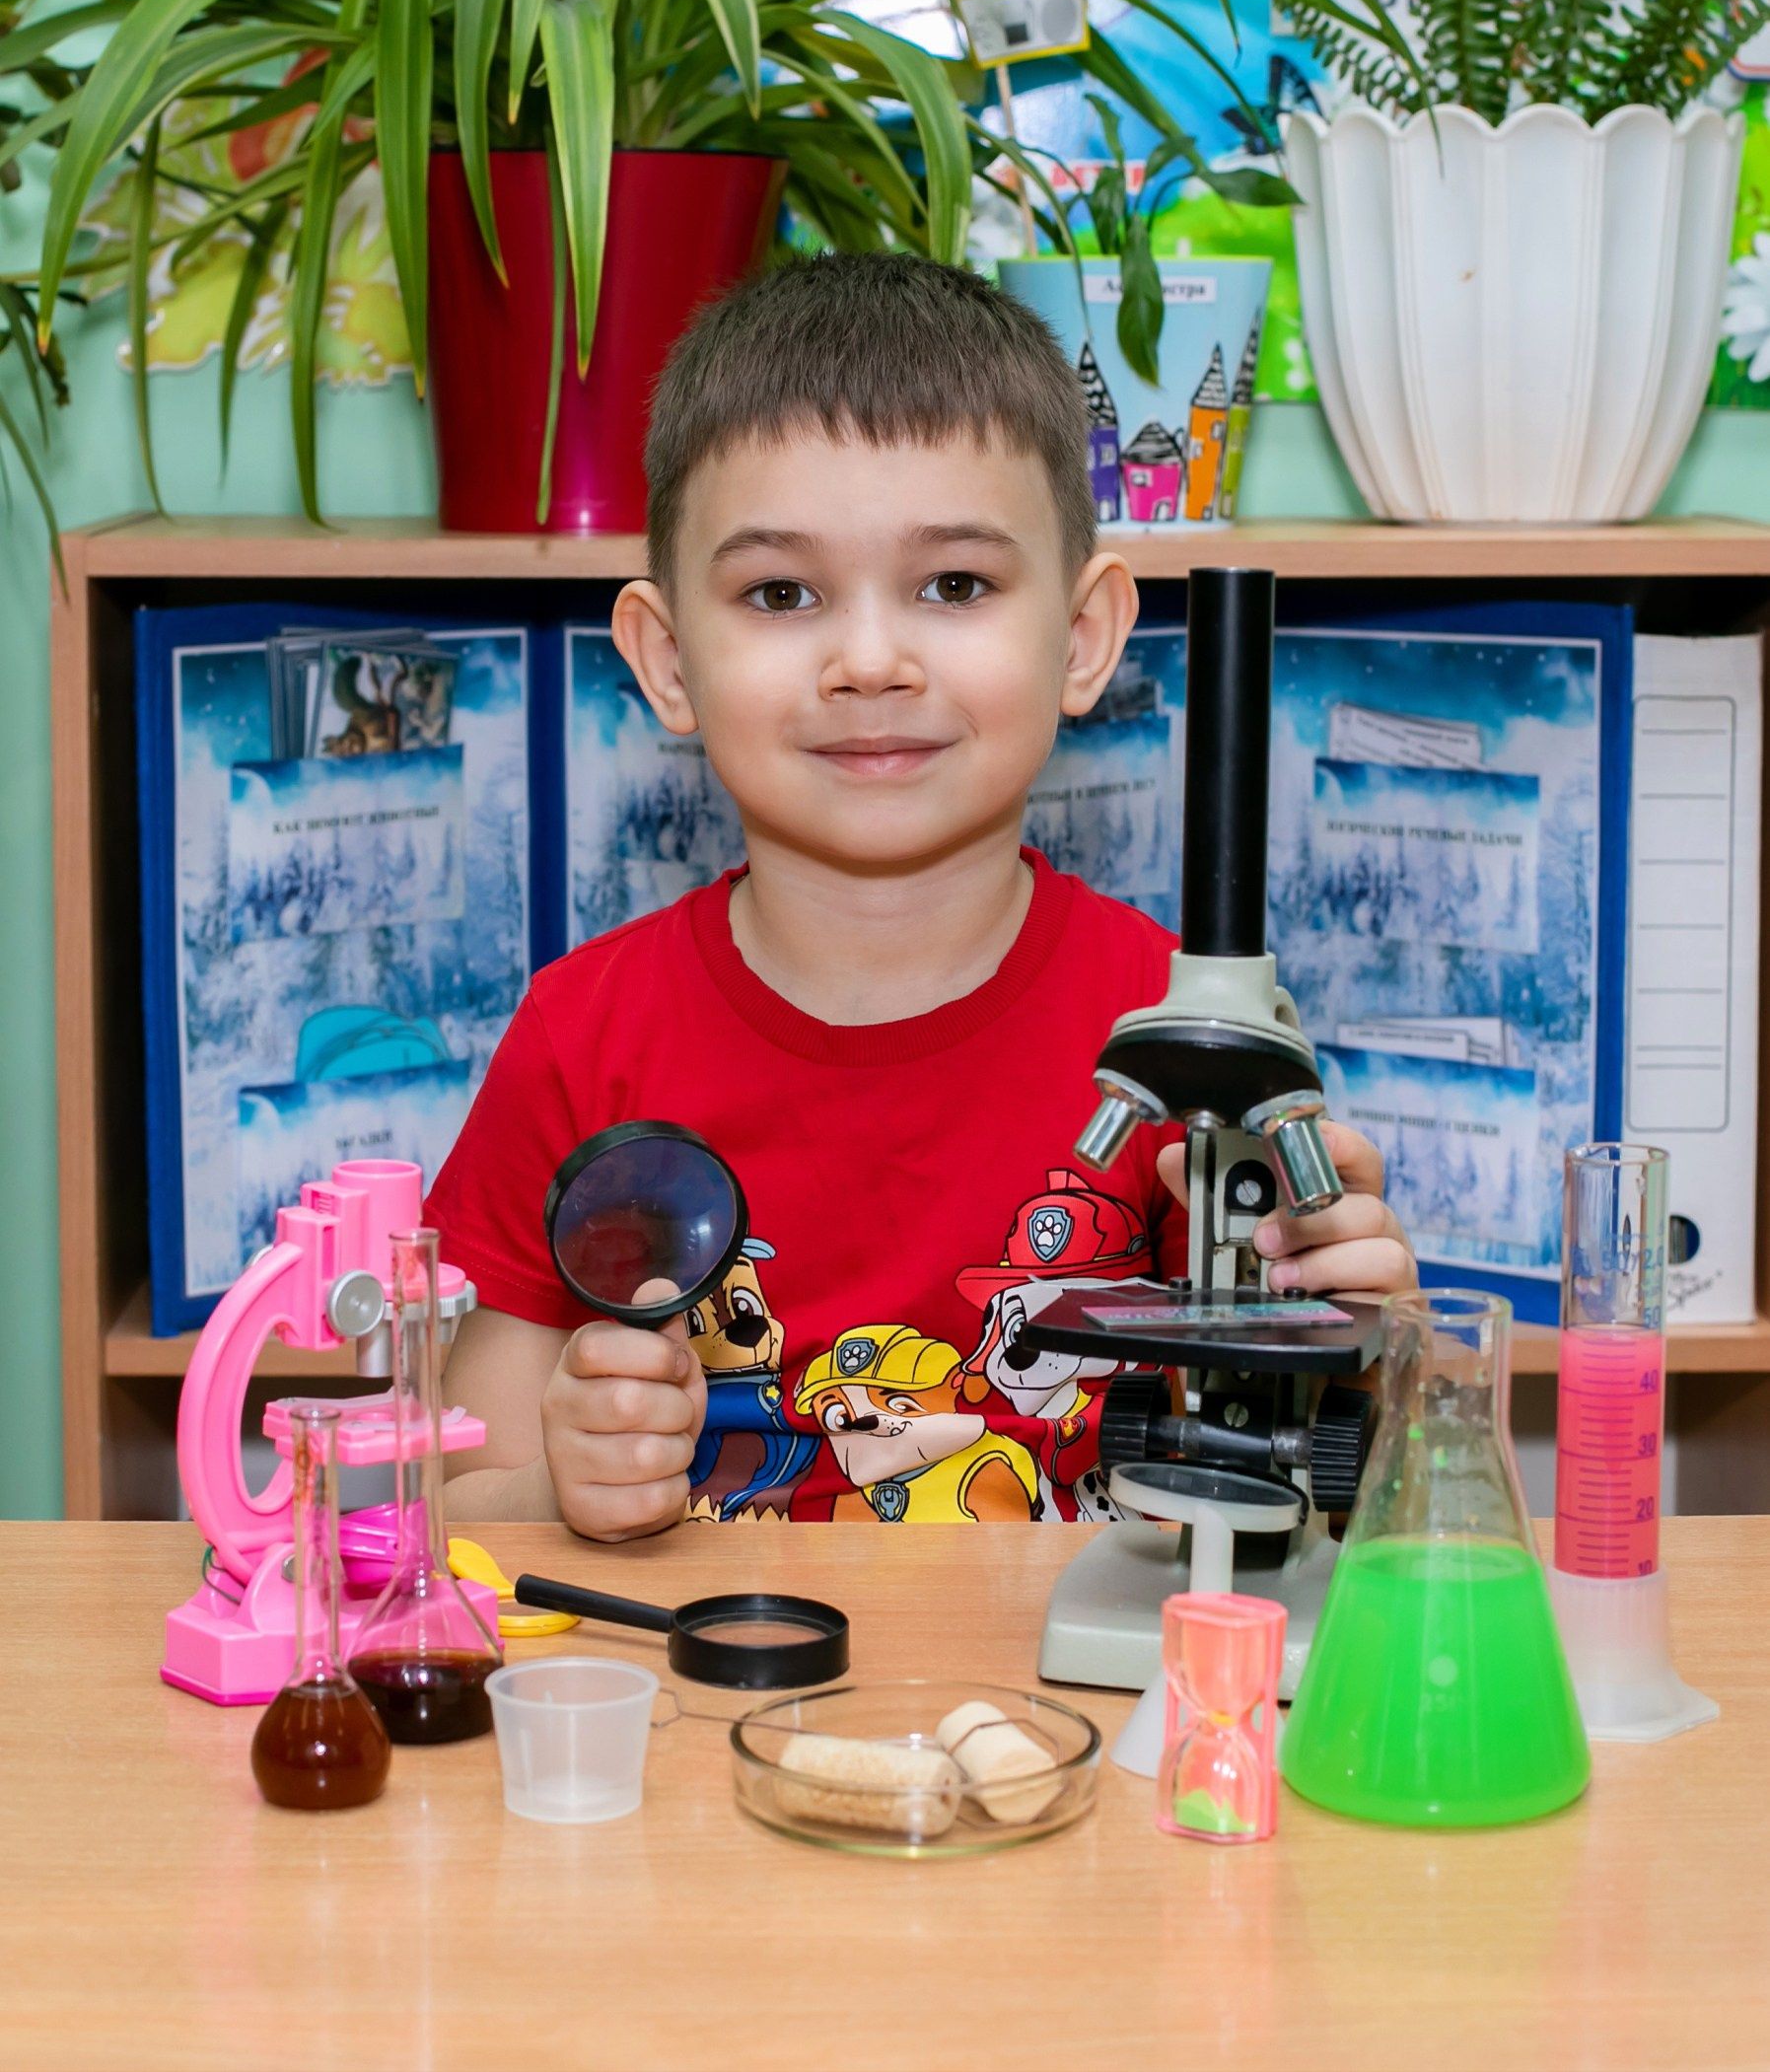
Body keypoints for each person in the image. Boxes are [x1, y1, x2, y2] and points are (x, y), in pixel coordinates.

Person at [435, 253, 1416, 1538]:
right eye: (781, 593)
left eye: (954, 584)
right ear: (668, 661)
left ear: (1083, 638)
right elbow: (452, 1506)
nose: (870, 661)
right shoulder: (582, 1037)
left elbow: (1329, 1500)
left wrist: (1362, 1344)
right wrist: (566, 1484)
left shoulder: (1183, 1025)